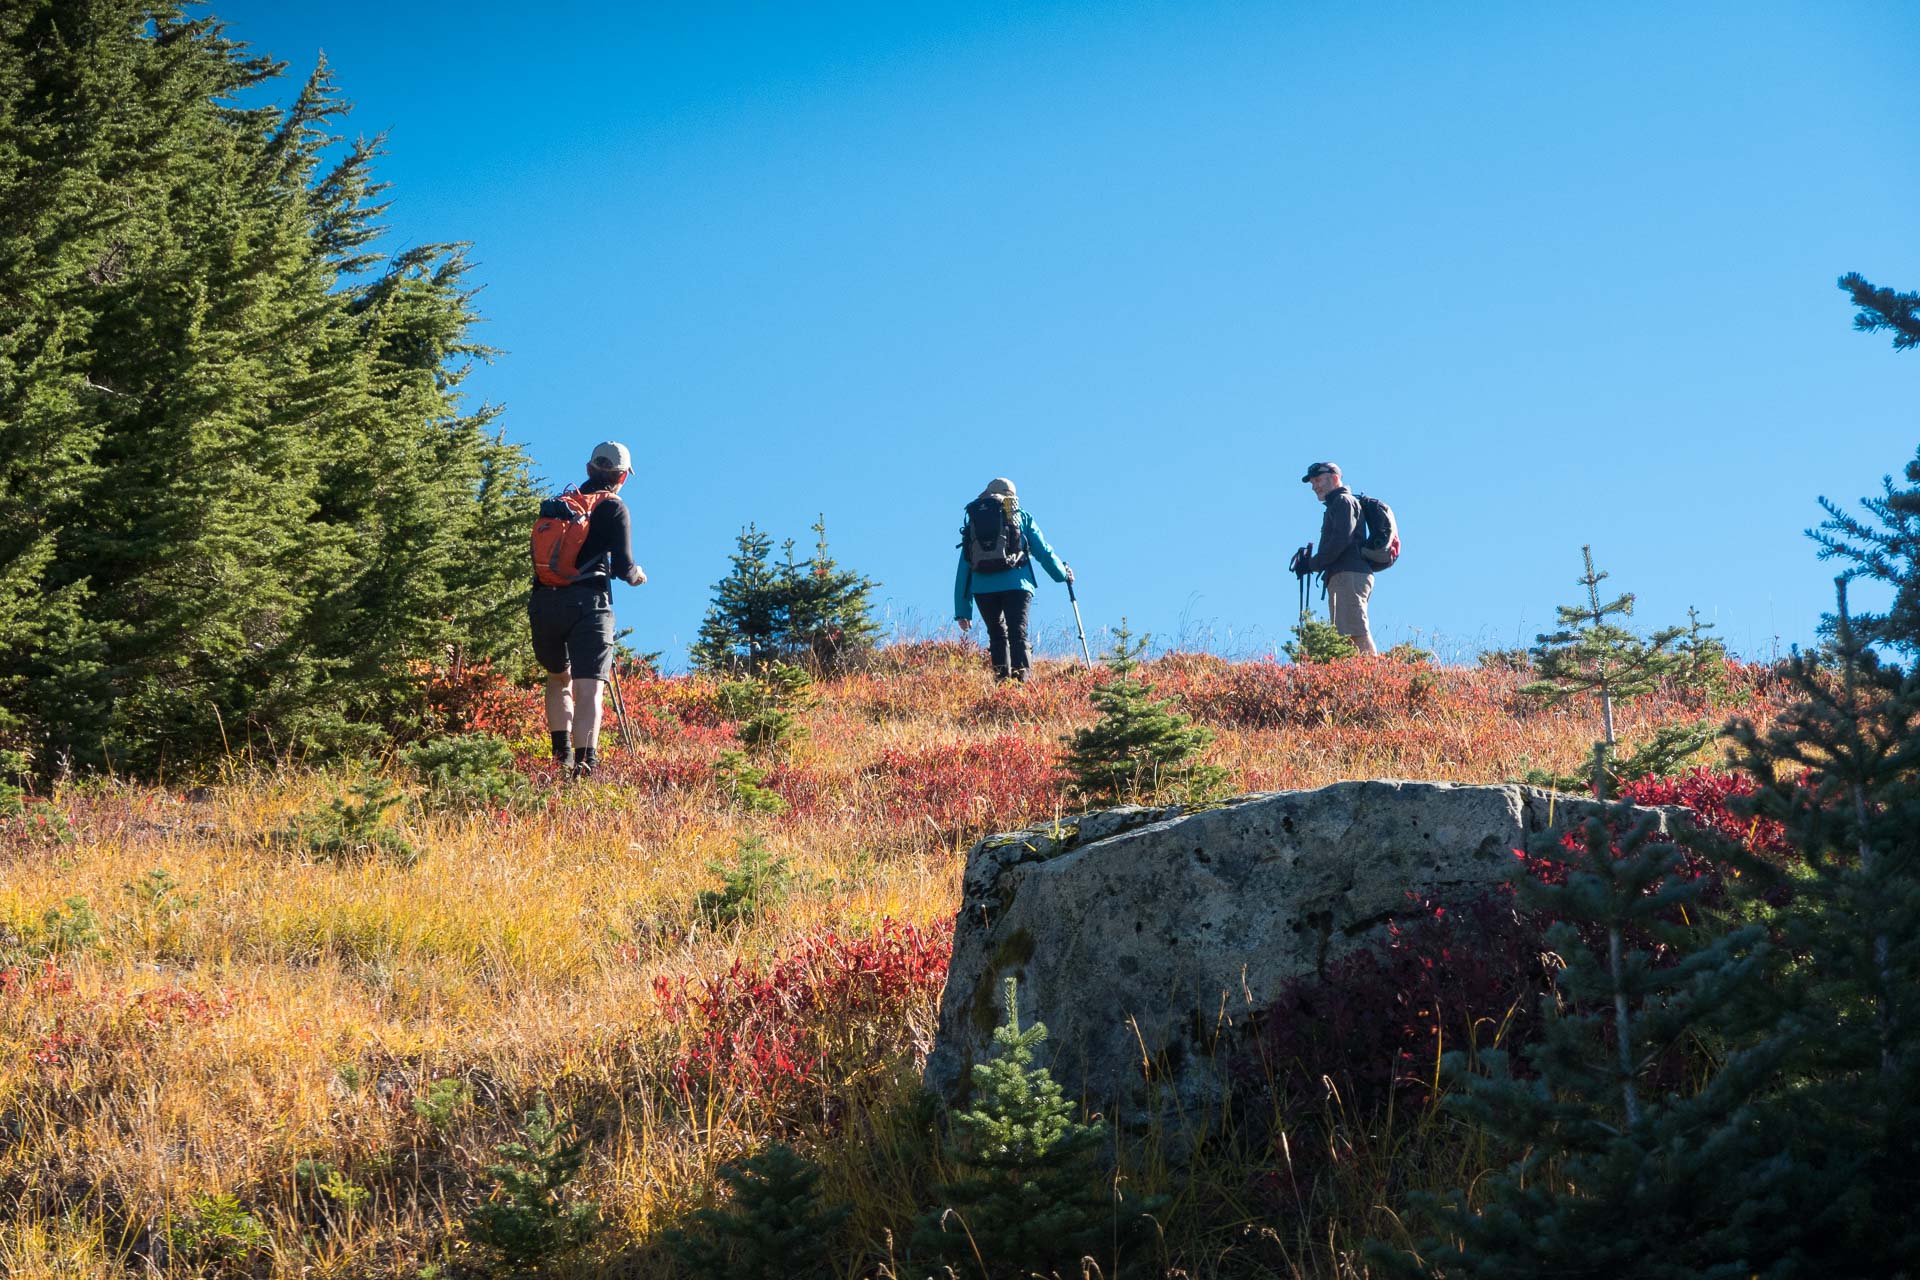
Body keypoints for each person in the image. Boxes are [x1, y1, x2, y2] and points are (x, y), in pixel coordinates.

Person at [528, 441, 647, 777]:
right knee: (589, 686)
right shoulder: (613, 508)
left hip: (544, 602)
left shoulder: (558, 507)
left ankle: (559, 757)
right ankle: (584, 765)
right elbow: (626, 567)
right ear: (622, 476)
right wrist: (638, 576)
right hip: (589, 605)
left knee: (557, 678)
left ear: (588, 469)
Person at [953, 477, 1073, 681]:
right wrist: (1062, 574)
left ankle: (1002, 683)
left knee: (997, 635)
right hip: (1017, 585)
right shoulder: (1020, 517)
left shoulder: (975, 520)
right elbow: (1043, 551)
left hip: (983, 587)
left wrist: (963, 610)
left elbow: (964, 565)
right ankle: (1021, 682)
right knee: (1018, 634)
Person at [1296, 461, 1377, 655]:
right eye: (1312, 483)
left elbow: (1340, 540)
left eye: (1318, 480)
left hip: (1348, 574)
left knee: (1356, 631)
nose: (1315, 486)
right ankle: (1357, 677)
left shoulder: (1343, 502)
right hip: (1345, 575)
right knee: (1344, 634)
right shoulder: (1338, 504)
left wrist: (1312, 564)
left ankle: (1374, 674)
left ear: (1335, 478)